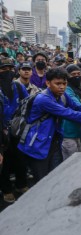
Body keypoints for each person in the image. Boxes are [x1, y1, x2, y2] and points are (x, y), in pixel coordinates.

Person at [17, 67, 81, 183]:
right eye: (58, 83)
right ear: (48, 83)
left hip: (53, 142)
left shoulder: (63, 95)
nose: (62, 87)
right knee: (41, 182)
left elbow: (77, 107)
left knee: (55, 177)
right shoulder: (43, 99)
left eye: (64, 83)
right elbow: (67, 113)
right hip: (37, 144)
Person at [0, 58, 28, 203]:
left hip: (17, 130)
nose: (8, 71)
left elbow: (27, 103)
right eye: (4, 69)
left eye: (10, 69)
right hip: (1, 132)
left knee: (20, 159)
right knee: (4, 163)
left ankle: (21, 184)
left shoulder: (18, 87)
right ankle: (6, 190)